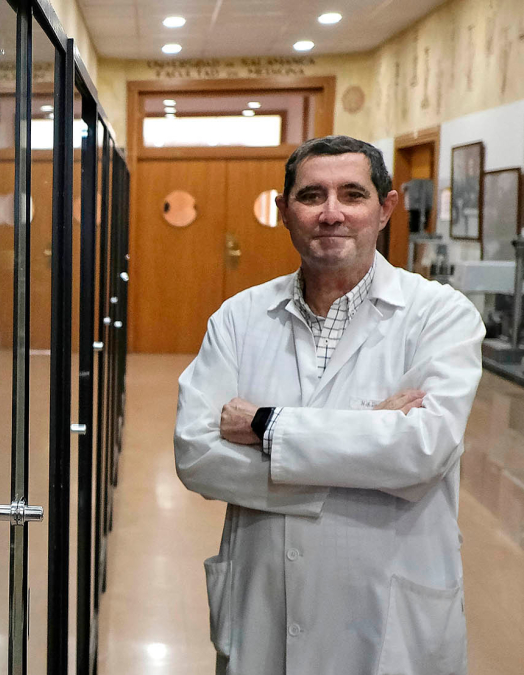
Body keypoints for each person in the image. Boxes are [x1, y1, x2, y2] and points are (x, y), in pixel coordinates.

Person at [174, 135, 484, 674]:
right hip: (263, 608)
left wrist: (268, 427)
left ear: (385, 208)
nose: (332, 214)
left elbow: (424, 450)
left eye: (353, 195)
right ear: (284, 211)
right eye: (312, 195)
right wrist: (363, 447)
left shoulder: (440, 315)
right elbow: (196, 454)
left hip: (388, 620)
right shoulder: (238, 318)